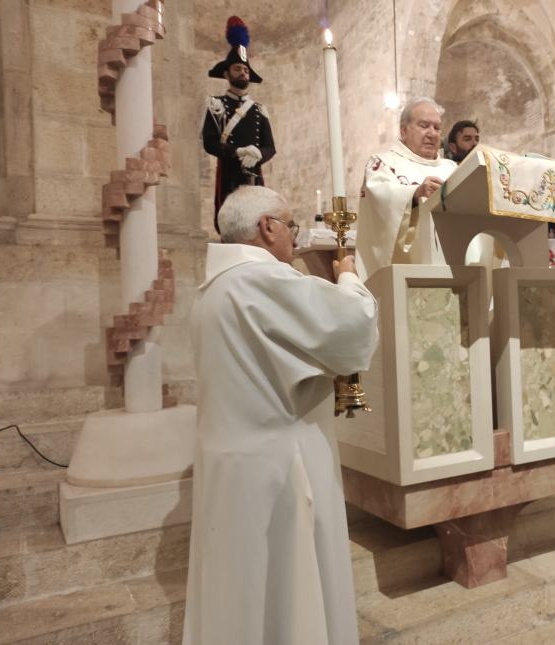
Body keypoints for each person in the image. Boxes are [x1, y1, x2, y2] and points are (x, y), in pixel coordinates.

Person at [183, 186, 379, 645]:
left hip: (229, 462)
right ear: (267, 227)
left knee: (241, 588)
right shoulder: (261, 280)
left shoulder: (209, 291)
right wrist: (348, 275)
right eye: (290, 226)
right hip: (277, 466)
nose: (293, 235)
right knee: (288, 587)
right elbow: (353, 324)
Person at [355, 97, 457, 280]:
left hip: (453, 267)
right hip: (407, 273)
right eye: (424, 125)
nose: (432, 133)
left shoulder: (452, 168)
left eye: (437, 127)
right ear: (403, 130)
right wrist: (414, 195)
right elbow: (379, 199)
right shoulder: (383, 162)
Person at [202, 16, 276, 234]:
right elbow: (210, 143)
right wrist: (237, 151)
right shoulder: (216, 105)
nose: (243, 73)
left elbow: (270, 146)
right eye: (237, 69)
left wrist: (258, 153)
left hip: (254, 175)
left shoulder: (259, 109)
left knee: (257, 225)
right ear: (226, 74)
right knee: (229, 225)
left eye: (245, 70)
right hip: (229, 175)